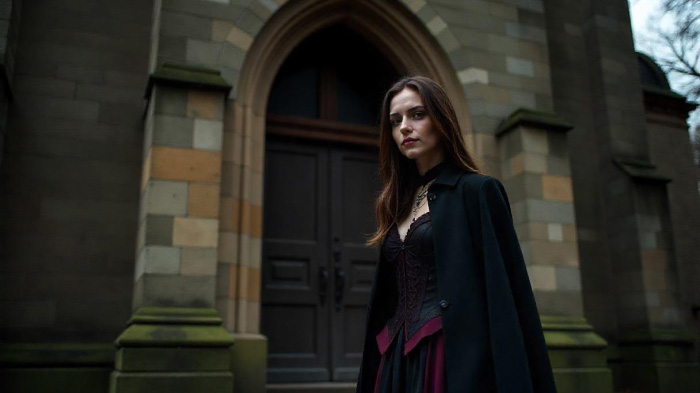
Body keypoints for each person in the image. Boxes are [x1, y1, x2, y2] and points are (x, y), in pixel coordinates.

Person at [356, 76, 557, 393]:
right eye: (396, 121)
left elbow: (506, 295)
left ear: (442, 119)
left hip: (448, 357)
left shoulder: (477, 192)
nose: (405, 127)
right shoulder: (397, 204)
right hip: (394, 358)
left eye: (417, 115)